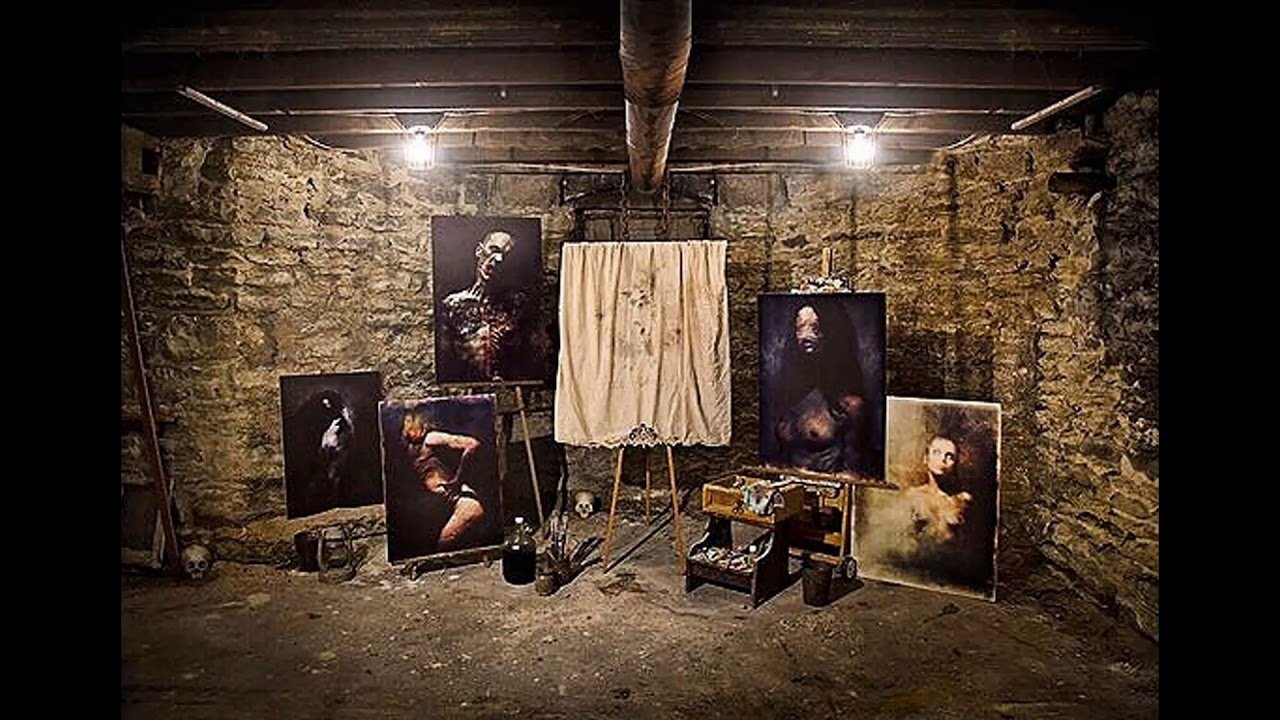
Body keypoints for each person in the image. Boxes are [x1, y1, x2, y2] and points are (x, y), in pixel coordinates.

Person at [771, 299, 877, 477]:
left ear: (831, 332)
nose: (806, 336)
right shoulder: (787, 392)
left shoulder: (851, 404)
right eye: (800, 327)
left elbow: (853, 474)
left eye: (815, 327)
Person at [437, 229, 540, 382]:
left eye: (506, 256)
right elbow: (445, 359)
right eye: (494, 250)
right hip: (466, 386)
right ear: (479, 251)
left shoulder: (519, 305)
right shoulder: (452, 305)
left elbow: (532, 356)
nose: (498, 259)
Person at [401, 413, 487, 551]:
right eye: (406, 424)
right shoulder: (412, 446)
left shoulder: (431, 438)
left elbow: (472, 444)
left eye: (411, 424)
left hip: (466, 504)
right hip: (452, 505)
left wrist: (458, 479)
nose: (408, 429)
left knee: (444, 544)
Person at [902, 434, 971, 545]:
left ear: (955, 464)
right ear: (926, 458)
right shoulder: (913, 496)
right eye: (937, 453)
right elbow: (904, 537)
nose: (943, 459)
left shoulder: (963, 500)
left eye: (950, 456)